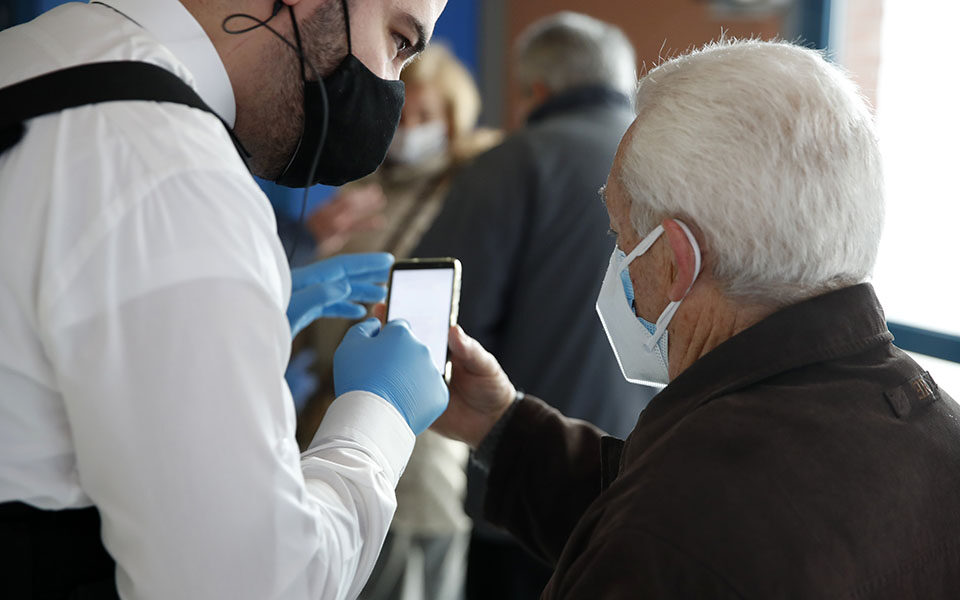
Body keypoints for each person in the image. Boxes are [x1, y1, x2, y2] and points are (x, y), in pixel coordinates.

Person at [427, 39, 960, 597]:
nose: (620, 261)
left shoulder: (675, 526)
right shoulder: (931, 426)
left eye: (621, 236)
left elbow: (666, 530)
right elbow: (646, 504)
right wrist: (501, 425)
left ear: (676, 260)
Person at [0, 0, 451, 597]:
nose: (392, 84)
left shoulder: (35, 52)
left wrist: (232, 319)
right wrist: (378, 416)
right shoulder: (178, 173)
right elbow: (251, 583)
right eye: (398, 41)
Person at [413, 12, 657, 598]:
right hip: (651, 481)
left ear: (538, 91)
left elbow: (433, 322)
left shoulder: (512, 165)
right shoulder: (680, 170)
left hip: (525, 482)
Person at [298, 45, 501, 600]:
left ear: (454, 118)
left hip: (419, 428)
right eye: (403, 114)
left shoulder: (471, 196)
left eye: (427, 117)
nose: (410, 130)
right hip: (329, 408)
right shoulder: (355, 192)